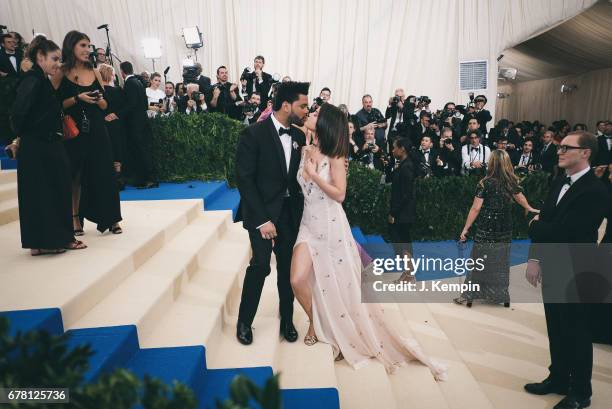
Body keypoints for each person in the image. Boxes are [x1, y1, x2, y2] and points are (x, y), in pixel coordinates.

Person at [289, 102, 447, 380]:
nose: (310, 115)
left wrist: (314, 175)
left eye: (315, 114)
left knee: (339, 287)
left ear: (326, 124)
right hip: (308, 225)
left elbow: (339, 195)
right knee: (297, 279)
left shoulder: (336, 156)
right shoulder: (304, 149)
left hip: (332, 228)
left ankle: (329, 330)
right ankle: (316, 322)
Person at [524, 131, 609, 409]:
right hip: (553, 264)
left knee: (577, 331)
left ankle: (581, 393)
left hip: (579, 268)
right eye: (559, 147)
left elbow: (565, 231)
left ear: (585, 153)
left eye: (566, 147)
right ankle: (558, 378)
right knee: (556, 326)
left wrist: (534, 225)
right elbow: (549, 219)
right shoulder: (558, 181)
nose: (559, 151)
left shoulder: (595, 191)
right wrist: (535, 259)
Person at [234, 81, 310, 346]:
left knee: (287, 270)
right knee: (261, 266)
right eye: (302, 105)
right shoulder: (253, 134)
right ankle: (244, 321)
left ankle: (287, 320)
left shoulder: (300, 137)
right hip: (261, 213)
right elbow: (244, 180)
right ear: (286, 105)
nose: (306, 110)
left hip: (290, 214)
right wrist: (263, 220)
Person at [11, 35, 86, 255]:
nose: (58, 63)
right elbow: (18, 115)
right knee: (49, 191)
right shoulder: (32, 80)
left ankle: (45, 242)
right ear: (40, 56)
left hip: (42, 144)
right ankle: (52, 240)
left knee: (43, 192)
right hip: (40, 145)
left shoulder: (39, 79)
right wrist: (22, 136)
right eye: (54, 58)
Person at [57, 30, 122, 235]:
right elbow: (55, 105)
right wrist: (78, 98)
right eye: (82, 45)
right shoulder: (61, 72)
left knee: (105, 172)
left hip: (97, 127)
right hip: (74, 130)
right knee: (75, 175)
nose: (87, 50)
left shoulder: (94, 71)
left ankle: (111, 218)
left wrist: (98, 99)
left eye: (88, 46)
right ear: (71, 47)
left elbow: (104, 105)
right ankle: (75, 219)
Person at [454, 149, 539, 307]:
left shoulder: (484, 183)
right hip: (504, 228)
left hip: (486, 227)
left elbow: (475, 208)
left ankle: (468, 296)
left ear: (491, 163)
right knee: (500, 262)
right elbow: (520, 198)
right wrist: (530, 208)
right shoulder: (511, 182)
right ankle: (499, 296)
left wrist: (465, 229)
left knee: (478, 261)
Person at [119, 60, 157, 189]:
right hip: (143, 121)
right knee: (144, 150)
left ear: (122, 72)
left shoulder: (130, 83)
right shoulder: (139, 82)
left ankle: (147, 179)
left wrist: (118, 114)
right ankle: (147, 178)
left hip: (135, 124)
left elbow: (132, 104)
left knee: (140, 151)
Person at [388, 137, 417, 283]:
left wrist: (394, 212)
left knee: (403, 242)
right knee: (403, 242)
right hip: (403, 212)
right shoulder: (404, 165)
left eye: (394, 147)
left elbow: (405, 194)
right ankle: (408, 273)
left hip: (403, 213)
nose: (393, 150)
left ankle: (409, 274)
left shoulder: (407, 167)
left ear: (402, 149)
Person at [98, 63, 126, 190]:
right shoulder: (118, 91)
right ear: (110, 75)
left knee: (104, 151)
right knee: (116, 149)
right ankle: (118, 179)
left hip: (101, 124)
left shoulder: (97, 92)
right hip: (115, 123)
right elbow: (122, 107)